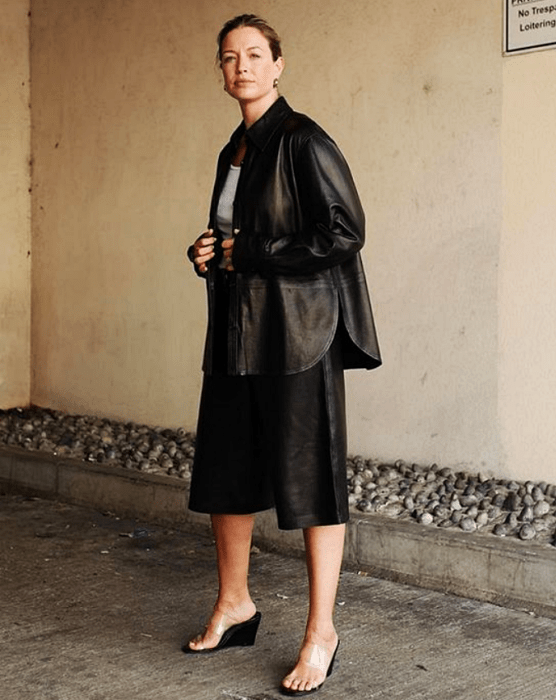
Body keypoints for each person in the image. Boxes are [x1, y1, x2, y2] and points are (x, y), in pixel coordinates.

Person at [184, 14, 381, 696]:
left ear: (278, 65)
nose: (241, 66)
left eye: (255, 55)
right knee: (226, 474)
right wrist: (209, 253)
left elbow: (345, 231)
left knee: (312, 484)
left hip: (300, 337)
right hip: (239, 335)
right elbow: (236, 234)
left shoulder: (304, 140)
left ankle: (320, 631)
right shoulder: (232, 151)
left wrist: (256, 252)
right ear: (222, 70)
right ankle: (235, 603)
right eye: (230, 57)